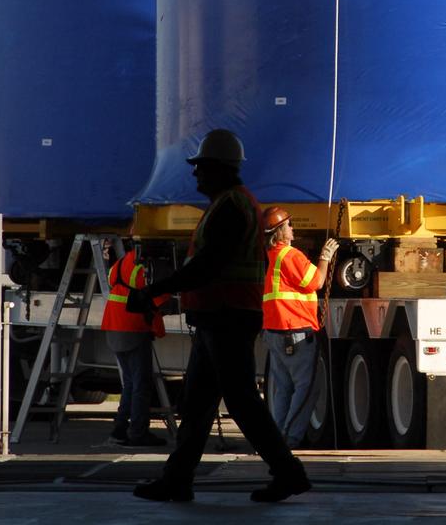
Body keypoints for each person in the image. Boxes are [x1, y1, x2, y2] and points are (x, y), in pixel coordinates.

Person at [128, 129, 310, 504]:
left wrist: (155, 290)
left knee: (241, 399)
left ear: (218, 169)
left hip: (226, 315)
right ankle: (177, 480)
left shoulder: (231, 206)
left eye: (200, 168)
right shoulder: (231, 203)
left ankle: (288, 472)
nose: (195, 175)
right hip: (220, 316)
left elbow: (208, 265)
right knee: (196, 404)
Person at [260, 206, 338, 448]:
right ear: (281, 232)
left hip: (275, 332)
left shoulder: (271, 256)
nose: (293, 229)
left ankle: (275, 438)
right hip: (295, 332)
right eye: (289, 225)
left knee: (283, 389)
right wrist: (325, 258)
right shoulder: (290, 256)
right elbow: (316, 281)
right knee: (306, 389)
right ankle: (289, 439)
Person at [101, 240, 169, 447]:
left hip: (113, 327)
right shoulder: (142, 267)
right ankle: (137, 432)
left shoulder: (119, 264)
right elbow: (158, 298)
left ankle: (120, 430)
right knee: (141, 384)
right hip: (133, 328)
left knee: (130, 383)